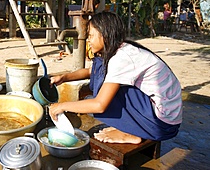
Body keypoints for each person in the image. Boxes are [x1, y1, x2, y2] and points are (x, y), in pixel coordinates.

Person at [49, 11, 182, 144]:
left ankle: (131, 134)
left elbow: (99, 105)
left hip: (161, 125)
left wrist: (62, 106)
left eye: (91, 36)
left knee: (104, 96)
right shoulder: (119, 49)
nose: (88, 40)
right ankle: (129, 127)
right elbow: (92, 71)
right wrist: (64, 77)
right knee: (104, 87)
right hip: (164, 117)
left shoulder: (122, 58)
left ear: (105, 36)